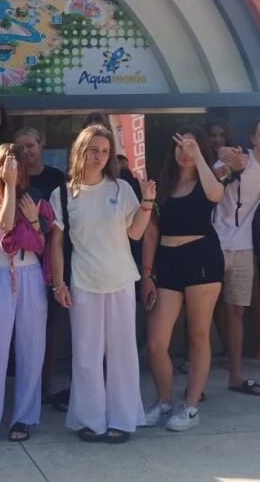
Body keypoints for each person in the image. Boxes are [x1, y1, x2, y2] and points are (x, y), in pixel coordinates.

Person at [49, 124, 155, 444]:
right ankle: (90, 420)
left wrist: (147, 201)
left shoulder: (121, 189)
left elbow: (135, 233)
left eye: (105, 151)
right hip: (83, 283)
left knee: (122, 353)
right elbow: (56, 244)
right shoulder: (63, 194)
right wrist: (59, 284)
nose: (99, 156)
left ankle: (123, 420)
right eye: (93, 150)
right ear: (80, 151)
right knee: (86, 356)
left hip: (120, 281)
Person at [141, 127, 223, 431]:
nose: (184, 151)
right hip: (167, 262)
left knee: (198, 334)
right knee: (156, 341)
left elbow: (216, 194)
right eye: (180, 145)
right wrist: (146, 274)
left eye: (191, 145)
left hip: (202, 259)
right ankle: (164, 401)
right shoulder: (162, 185)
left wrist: (198, 156)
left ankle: (190, 406)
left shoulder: (207, 180)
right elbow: (151, 232)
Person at [0, 144, 49, 444]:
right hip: (0, 275)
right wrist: (8, 186)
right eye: (7, 163)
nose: (13, 168)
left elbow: (42, 243)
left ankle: (24, 417)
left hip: (30, 274)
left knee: (31, 349)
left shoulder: (33, 196)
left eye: (17, 164)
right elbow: (3, 223)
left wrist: (33, 220)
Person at [212, 118, 260, 398]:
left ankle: (235, 375)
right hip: (213, 243)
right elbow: (209, 180)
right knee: (202, 312)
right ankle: (196, 378)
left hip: (243, 247)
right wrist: (226, 161)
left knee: (237, 311)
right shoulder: (237, 157)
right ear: (252, 138)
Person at [12, 127, 66, 407]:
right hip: (15, 262)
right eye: (20, 147)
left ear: (41, 145)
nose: (26, 152)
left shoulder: (56, 178)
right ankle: (22, 388)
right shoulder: (11, 179)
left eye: (30, 145)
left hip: (49, 259)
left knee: (49, 326)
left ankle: (45, 385)